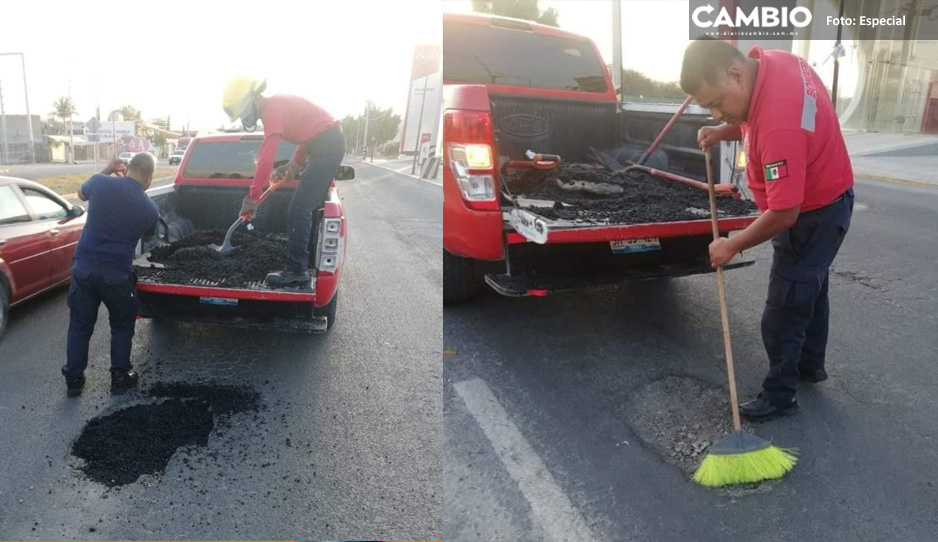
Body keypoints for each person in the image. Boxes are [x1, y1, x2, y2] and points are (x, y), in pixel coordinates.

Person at [680, 37, 854, 421]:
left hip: (812, 213)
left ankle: (780, 394)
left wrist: (733, 244)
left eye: (715, 102)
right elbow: (754, 118)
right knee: (811, 285)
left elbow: (784, 212)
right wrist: (722, 130)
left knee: (785, 308)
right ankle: (810, 365)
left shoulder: (778, 123)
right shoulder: (774, 63)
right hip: (832, 196)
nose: (715, 111)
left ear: (735, 74)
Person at [221, 77, 346, 287]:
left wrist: (252, 196)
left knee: (299, 209)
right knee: (306, 208)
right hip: (325, 143)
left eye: (244, 114)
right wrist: (293, 165)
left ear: (253, 100)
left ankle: (297, 269)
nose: (245, 119)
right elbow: (308, 136)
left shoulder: (271, 108)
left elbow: (266, 156)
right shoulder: (277, 106)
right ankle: (304, 260)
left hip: (328, 145)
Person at [62, 154, 159, 397]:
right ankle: (119, 378)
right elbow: (147, 238)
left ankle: (73, 380)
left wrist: (107, 169)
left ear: (127, 169)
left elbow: (81, 194)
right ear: (148, 179)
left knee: (80, 326)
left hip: (83, 268)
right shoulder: (149, 208)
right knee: (122, 325)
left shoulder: (100, 182)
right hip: (116, 274)